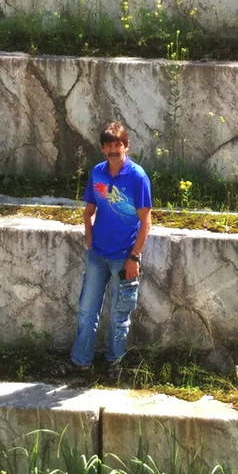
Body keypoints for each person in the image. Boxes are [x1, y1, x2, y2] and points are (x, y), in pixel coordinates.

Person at [63, 121, 152, 378]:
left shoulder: (137, 177)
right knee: (86, 311)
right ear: (103, 148)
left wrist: (134, 257)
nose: (113, 150)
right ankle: (81, 361)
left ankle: (116, 363)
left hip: (124, 257)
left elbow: (146, 221)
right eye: (109, 145)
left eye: (118, 144)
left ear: (126, 146)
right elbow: (89, 210)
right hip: (98, 256)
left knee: (119, 315)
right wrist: (90, 239)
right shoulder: (97, 173)